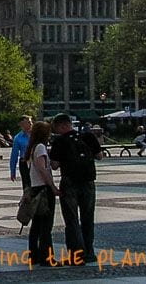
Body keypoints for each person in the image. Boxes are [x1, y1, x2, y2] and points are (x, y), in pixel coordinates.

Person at [50, 113, 102, 266]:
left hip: (70, 182)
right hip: (88, 182)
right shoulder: (88, 137)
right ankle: (89, 253)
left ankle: (76, 256)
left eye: (57, 127)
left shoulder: (59, 141)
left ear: (62, 126)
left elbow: (54, 165)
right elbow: (100, 156)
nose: (56, 131)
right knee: (88, 218)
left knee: (72, 220)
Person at [26, 120, 61, 267]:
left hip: (35, 187)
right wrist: (52, 186)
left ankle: (33, 255)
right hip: (42, 189)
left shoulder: (32, 147)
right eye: (48, 132)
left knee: (36, 225)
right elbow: (42, 169)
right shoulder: (40, 148)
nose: (50, 135)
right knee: (46, 225)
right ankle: (47, 257)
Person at [9, 115, 33, 191]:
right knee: (27, 184)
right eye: (28, 122)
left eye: (31, 122)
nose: (31, 124)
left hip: (36, 161)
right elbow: (14, 155)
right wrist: (13, 171)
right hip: (24, 162)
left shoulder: (36, 134)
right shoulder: (18, 138)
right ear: (21, 124)